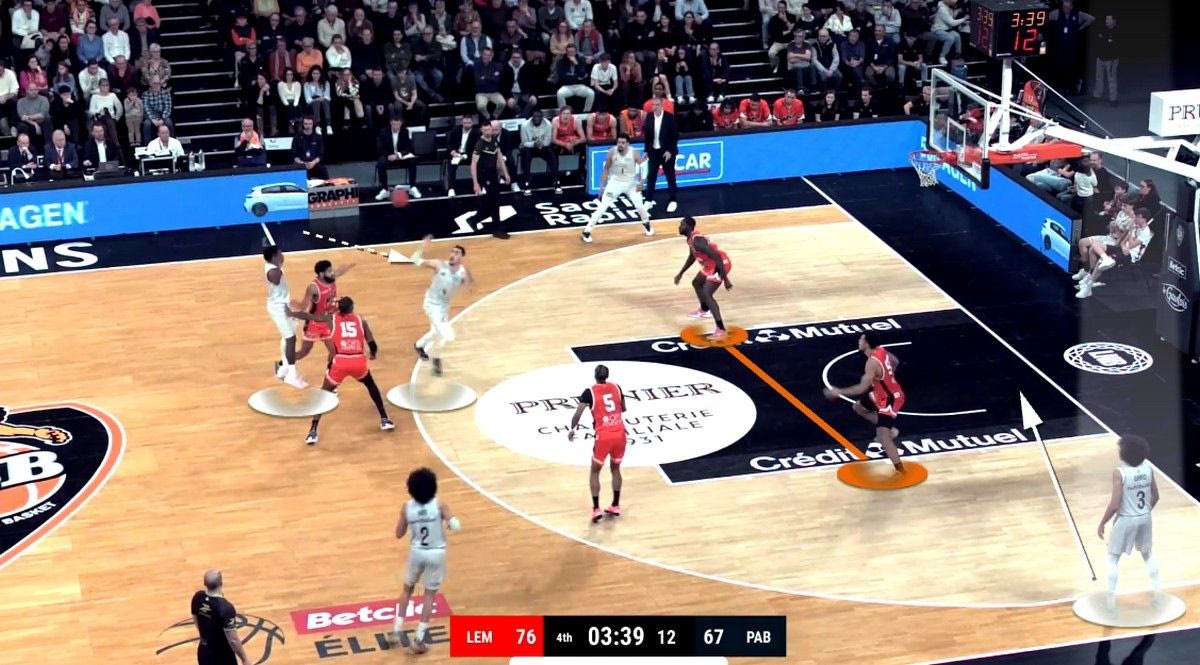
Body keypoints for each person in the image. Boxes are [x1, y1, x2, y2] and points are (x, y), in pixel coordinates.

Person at [304, 297, 395, 444]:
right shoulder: (361, 321)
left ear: (339, 308)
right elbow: (372, 344)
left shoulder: (332, 320)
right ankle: (385, 419)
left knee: (323, 394)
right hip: (358, 361)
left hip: (340, 362)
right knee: (371, 385)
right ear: (352, 308)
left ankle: (312, 431)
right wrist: (373, 354)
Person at [390, 467, 460, 652]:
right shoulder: (439, 506)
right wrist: (450, 522)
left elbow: (398, 533)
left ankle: (396, 630)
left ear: (410, 488)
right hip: (436, 554)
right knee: (429, 595)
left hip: (417, 552)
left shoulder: (407, 507)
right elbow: (456, 526)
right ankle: (418, 640)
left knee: (407, 590)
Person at [823, 331, 905, 474]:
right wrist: (887, 377)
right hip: (881, 393)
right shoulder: (881, 350)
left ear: (867, 343)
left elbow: (861, 388)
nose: (859, 341)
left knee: (883, 438)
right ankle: (891, 430)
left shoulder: (871, 363)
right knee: (859, 407)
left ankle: (901, 471)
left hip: (890, 399)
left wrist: (838, 391)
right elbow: (895, 360)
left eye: (861, 339)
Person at [1097, 435, 1161, 612]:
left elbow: (1114, 505)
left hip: (1126, 519)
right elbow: (1156, 496)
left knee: (1112, 559)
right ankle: (1158, 594)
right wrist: (1143, 512)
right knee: (1148, 555)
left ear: (1125, 453)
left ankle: (1110, 604)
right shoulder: (1148, 469)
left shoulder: (1120, 473)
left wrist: (1102, 523)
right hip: (1145, 517)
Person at [568, 364, 626, 522]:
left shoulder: (590, 392)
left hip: (604, 436)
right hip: (620, 433)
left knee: (595, 471)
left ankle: (596, 509)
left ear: (595, 375)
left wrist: (572, 429)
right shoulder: (617, 387)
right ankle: (615, 505)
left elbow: (578, 413)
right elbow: (623, 408)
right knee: (615, 468)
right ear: (607, 375)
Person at [412, 234, 472, 376]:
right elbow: (415, 260)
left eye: (457, 253)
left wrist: (467, 282)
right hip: (432, 304)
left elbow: (468, 284)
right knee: (448, 335)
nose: (453, 255)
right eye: (452, 252)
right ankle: (436, 361)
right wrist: (423, 246)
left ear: (461, 258)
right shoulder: (438, 264)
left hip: (444, 306)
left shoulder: (462, 272)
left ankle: (419, 345)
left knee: (436, 332)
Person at [264, 244, 317, 389]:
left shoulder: (274, 267)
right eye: (280, 253)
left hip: (283, 304)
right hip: (279, 308)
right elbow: (275, 279)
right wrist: (279, 265)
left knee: (288, 335)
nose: (283, 256)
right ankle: (291, 376)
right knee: (290, 338)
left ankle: (284, 369)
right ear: (274, 256)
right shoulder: (273, 271)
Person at [582, 134, 653, 243]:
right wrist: (602, 186)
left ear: (628, 144)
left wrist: (642, 182)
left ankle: (646, 223)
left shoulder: (634, 153)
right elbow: (606, 169)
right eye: (619, 142)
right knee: (603, 207)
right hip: (614, 184)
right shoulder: (611, 152)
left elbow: (644, 166)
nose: (620, 145)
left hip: (631, 184)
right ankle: (587, 230)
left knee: (639, 205)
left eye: (623, 143)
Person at [673, 216, 731, 338]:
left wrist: (725, 279)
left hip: (720, 265)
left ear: (689, 227)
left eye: (682, 225)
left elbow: (717, 257)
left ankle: (720, 328)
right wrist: (681, 273)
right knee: (696, 283)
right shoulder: (690, 239)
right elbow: (692, 256)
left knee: (707, 293)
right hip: (710, 265)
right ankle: (705, 309)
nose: (679, 227)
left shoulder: (698, 241)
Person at [294, 259, 353, 364]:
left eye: (331, 270)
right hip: (314, 323)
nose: (332, 272)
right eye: (329, 271)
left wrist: (351, 263)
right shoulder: (313, 288)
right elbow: (303, 306)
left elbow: (340, 271)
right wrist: (292, 304)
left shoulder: (331, 278)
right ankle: (283, 363)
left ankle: (330, 371)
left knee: (334, 351)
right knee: (304, 351)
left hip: (328, 321)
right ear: (321, 274)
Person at [191, 570, 252, 665]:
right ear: (221, 583)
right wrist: (244, 659)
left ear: (204, 583)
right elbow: (233, 640)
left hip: (204, 651)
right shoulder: (225, 608)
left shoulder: (198, 597)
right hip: (222, 655)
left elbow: (195, 618)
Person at [470, 121, 512, 239]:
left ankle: (475, 220)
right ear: (481, 130)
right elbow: (473, 164)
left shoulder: (494, 139)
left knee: (494, 201)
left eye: (489, 129)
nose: (487, 132)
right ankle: (496, 229)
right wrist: (476, 183)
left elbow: (500, 157)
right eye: (485, 130)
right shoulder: (480, 144)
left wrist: (506, 173)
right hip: (484, 175)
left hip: (493, 174)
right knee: (493, 201)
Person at [643, 95, 678, 213]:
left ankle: (673, 200)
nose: (655, 107)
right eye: (653, 105)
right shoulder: (649, 116)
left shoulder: (669, 118)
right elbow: (647, 136)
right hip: (654, 151)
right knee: (651, 176)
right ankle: (648, 200)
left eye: (657, 105)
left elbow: (675, 136)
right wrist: (646, 150)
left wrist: (670, 151)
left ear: (662, 105)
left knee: (670, 176)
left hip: (667, 152)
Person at [374, 114, 421, 200]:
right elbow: (381, 148)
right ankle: (385, 190)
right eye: (394, 124)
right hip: (388, 155)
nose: (396, 126)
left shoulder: (405, 131)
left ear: (401, 124)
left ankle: (413, 187)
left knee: (413, 161)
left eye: (398, 124)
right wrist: (389, 156)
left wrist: (398, 155)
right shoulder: (384, 132)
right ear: (390, 123)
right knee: (381, 163)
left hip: (400, 156)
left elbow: (408, 148)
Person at [519, 109, 559, 194]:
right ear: (532, 117)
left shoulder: (548, 124)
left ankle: (556, 181)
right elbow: (524, 143)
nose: (536, 118)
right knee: (526, 154)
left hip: (542, 147)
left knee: (552, 155)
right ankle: (526, 182)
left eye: (539, 116)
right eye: (535, 116)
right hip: (529, 148)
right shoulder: (524, 125)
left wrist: (541, 144)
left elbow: (548, 141)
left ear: (542, 117)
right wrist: (534, 144)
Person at [444, 113, 478, 197]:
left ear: (472, 123)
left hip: (470, 155)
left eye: (469, 123)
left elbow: (476, 148)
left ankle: (480, 185)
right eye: (465, 123)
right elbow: (449, 145)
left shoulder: (476, 133)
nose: (467, 125)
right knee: (451, 164)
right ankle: (451, 188)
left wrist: (465, 156)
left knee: (480, 162)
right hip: (457, 154)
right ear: (461, 122)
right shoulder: (455, 131)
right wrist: (453, 152)